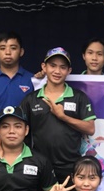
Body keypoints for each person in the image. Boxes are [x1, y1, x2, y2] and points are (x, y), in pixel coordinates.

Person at [17, 47, 96, 183]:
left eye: (62, 67)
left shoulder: (79, 97)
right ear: (44, 67)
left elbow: (90, 128)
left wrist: (63, 117)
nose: (57, 71)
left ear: (69, 70)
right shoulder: (31, 99)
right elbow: (18, 129)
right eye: (53, 66)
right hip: (39, 165)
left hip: (70, 166)